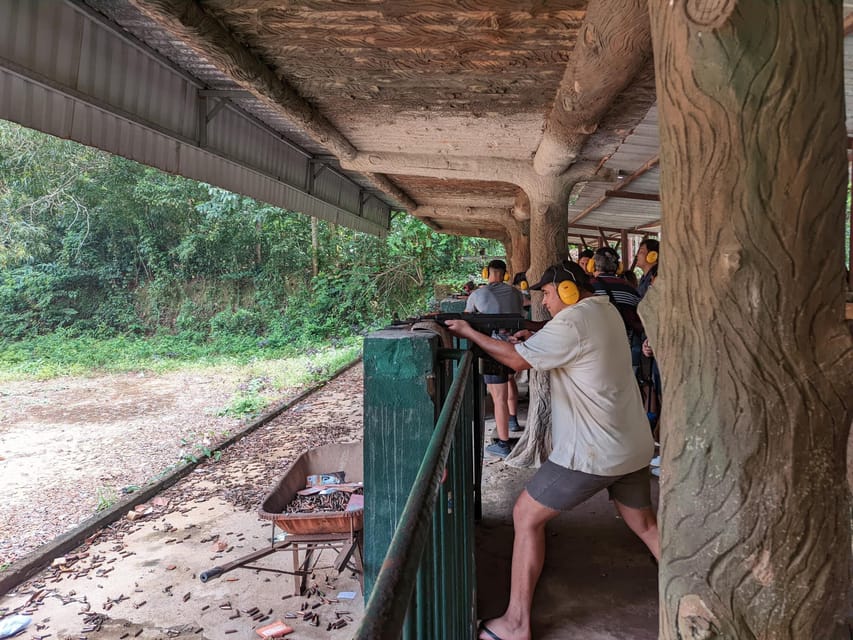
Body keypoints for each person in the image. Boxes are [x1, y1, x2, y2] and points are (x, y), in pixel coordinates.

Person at [445, 261, 659, 640]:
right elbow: (556, 341)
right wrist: (533, 335)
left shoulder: (573, 322)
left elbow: (514, 360)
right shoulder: (603, 309)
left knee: (525, 515)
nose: (544, 301)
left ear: (567, 292)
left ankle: (516, 624)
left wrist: (467, 331)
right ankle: (696, 593)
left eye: (547, 293)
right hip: (632, 444)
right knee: (645, 526)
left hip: (597, 452)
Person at [466, 259, 526, 458]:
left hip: (492, 349)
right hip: (513, 346)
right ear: (506, 274)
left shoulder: (478, 294)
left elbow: (466, 318)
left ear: (487, 273)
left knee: (497, 397)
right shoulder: (517, 293)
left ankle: (503, 442)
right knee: (509, 381)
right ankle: (512, 419)